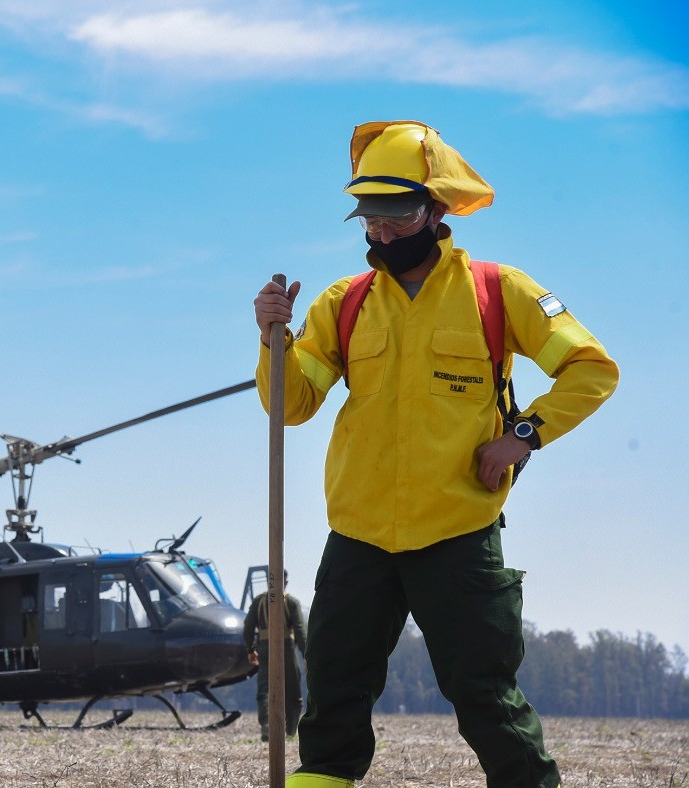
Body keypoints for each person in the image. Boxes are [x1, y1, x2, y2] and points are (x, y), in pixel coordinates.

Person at [252, 120, 618, 788]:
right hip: (359, 533)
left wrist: (525, 435)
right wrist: (271, 340)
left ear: (437, 210)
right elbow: (292, 406)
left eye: (398, 217)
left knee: (485, 700)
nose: (382, 235)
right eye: (370, 221)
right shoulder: (345, 302)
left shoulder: (497, 291)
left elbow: (593, 369)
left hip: (458, 531)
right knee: (331, 703)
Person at [243, 568, 306, 739]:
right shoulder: (291, 602)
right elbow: (300, 630)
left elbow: (248, 627)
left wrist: (250, 649)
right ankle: (291, 730)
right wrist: (305, 654)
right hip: (285, 647)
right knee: (293, 689)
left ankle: (266, 724)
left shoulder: (258, 602)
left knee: (265, 688)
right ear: (285, 582)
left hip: (264, 647)